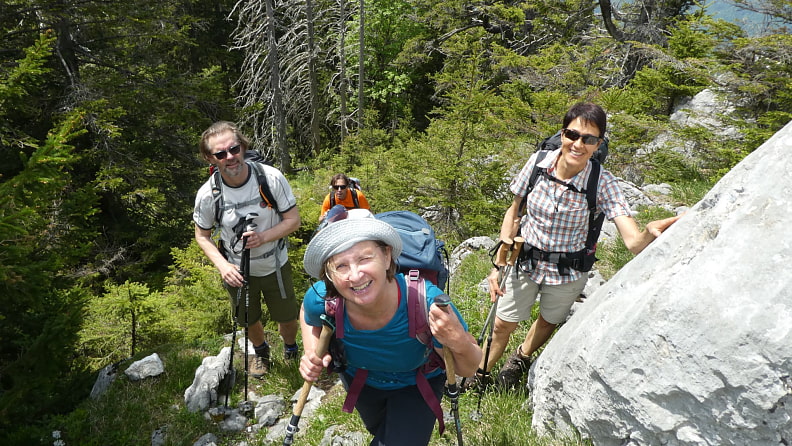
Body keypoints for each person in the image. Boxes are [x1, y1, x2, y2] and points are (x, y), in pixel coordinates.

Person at [470, 103, 681, 391]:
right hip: (525, 260)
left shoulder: (602, 183)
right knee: (501, 325)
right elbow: (515, 210)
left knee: (548, 321)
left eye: (589, 139)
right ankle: (480, 374)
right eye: (573, 135)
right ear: (563, 133)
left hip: (568, 271)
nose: (578, 144)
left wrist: (648, 232)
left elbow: (632, 243)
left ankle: (519, 359)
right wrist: (499, 265)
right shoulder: (538, 163)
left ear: (598, 144)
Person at [299, 209, 482, 445]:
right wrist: (311, 351)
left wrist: (456, 340)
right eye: (341, 266)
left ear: (386, 257)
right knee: (382, 431)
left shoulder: (426, 303)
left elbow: (468, 368)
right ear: (328, 275)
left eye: (365, 258)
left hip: (417, 383)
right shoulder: (324, 301)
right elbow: (306, 314)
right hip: (362, 382)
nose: (355, 276)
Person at [193, 121, 301, 378]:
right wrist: (223, 266)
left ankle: (291, 349)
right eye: (221, 154)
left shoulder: (270, 177)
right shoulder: (208, 195)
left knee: (286, 316)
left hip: (275, 262)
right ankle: (261, 353)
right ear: (210, 158)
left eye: (234, 148)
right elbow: (202, 236)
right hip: (237, 269)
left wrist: (263, 237)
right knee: (248, 318)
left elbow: (293, 220)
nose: (230, 157)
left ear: (243, 146)